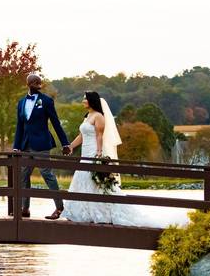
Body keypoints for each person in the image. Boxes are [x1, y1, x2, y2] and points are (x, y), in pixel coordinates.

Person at [61, 91, 187, 228]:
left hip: (93, 152)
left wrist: (98, 153)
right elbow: (82, 135)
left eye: (85, 99)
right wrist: (71, 146)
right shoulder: (88, 116)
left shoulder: (99, 117)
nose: (82, 101)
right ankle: (83, 213)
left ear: (91, 101)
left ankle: (103, 213)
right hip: (84, 153)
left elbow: (99, 136)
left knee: (96, 183)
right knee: (83, 180)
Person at [12, 73, 71, 220]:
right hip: (25, 145)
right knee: (23, 176)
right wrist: (16, 146)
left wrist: (65, 143)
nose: (37, 83)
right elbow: (20, 126)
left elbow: (56, 123)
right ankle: (25, 208)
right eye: (34, 81)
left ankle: (59, 207)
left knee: (47, 174)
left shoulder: (46, 101)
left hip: (42, 144)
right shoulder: (21, 103)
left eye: (39, 82)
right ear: (28, 84)